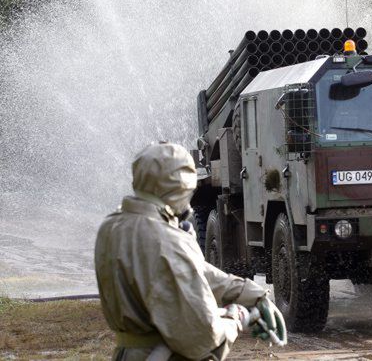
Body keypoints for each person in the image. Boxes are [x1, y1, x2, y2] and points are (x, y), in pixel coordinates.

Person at [95, 142, 283, 361]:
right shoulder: (166, 239)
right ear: (179, 187)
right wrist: (236, 318)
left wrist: (248, 292)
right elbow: (203, 336)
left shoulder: (112, 227)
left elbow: (187, 270)